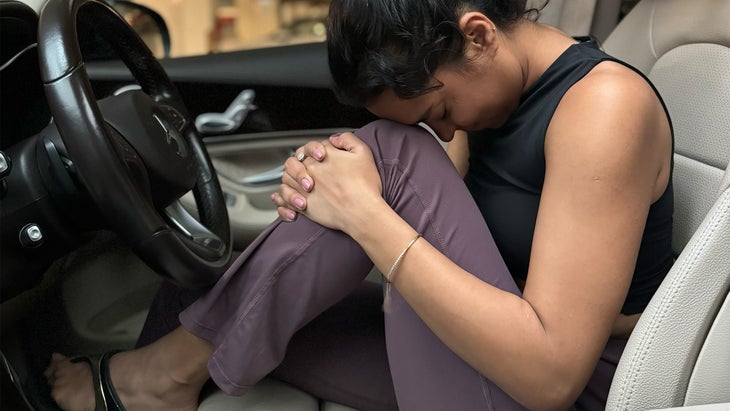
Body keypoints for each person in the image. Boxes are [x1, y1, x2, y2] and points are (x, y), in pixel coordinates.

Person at [44, 0, 674, 410]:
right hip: (485, 345)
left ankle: (161, 381)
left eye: (441, 112)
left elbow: (551, 375)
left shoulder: (603, 107)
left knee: (391, 160)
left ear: (478, 36)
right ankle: (163, 379)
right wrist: (329, 188)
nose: (448, 132)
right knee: (198, 304)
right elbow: (438, 220)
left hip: (563, 389)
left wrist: (366, 214)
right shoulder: (491, 93)